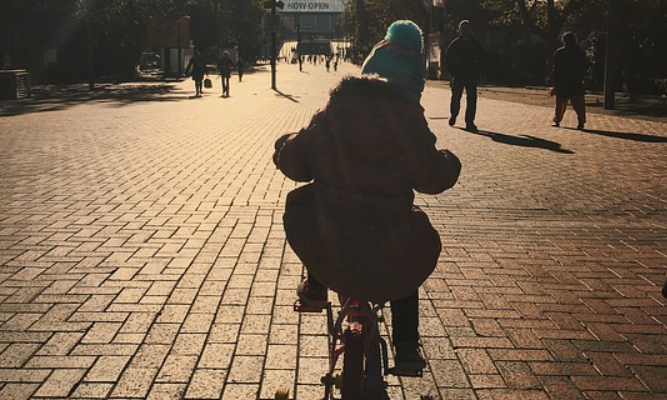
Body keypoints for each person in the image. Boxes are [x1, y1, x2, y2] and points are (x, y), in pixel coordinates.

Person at [273, 20, 462, 372]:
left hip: (334, 231)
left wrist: (283, 144)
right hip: (387, 232)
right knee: (408, 259)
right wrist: (450, 162)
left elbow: (297, 164)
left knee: (313, 204)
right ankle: (406, 347)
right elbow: (433, 177)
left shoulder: (333, 111)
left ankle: (315, 287)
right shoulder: (408, 120)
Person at [445, 20, 484, 132]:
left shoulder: (475, 44)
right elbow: (448, 60)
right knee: (456, 98)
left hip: (471, 76)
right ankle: (454, 114)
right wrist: (453, 72)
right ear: (459, 30)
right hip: (458, 76)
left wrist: (479, 71)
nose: (465, 31)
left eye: (467, 28)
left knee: (472, 99)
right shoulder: (455, 44)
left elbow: (481, 59)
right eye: (463, 28)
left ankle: (469, 121)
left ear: (470, 30)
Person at [551, 32, 587, 130]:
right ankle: (581, 121)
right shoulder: (579, 52)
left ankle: (557, 120)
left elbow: (556, 68)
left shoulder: (560, 52)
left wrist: (555, 82)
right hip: (575, 81)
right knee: (579, 104)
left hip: (563, 81)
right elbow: (584, 66)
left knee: (560, 104)